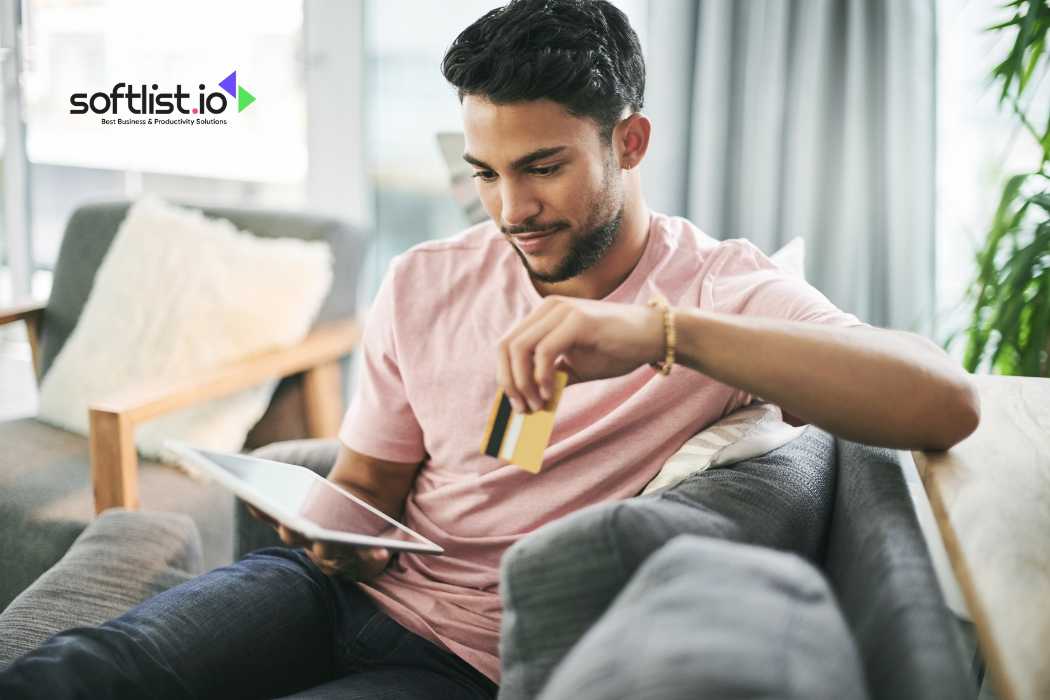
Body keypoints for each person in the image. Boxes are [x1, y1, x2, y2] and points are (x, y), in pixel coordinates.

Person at [0, 1, 979, 698]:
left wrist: (659, 335)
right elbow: (369, 484)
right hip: (327, 591)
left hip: (462, 663)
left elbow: (943, 401)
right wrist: (324, 525)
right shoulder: (427, 279)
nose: (512, 210)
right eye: (487, 173)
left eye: (544, 168)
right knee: (96, 669)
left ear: (628, 142)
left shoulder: (716, 289)